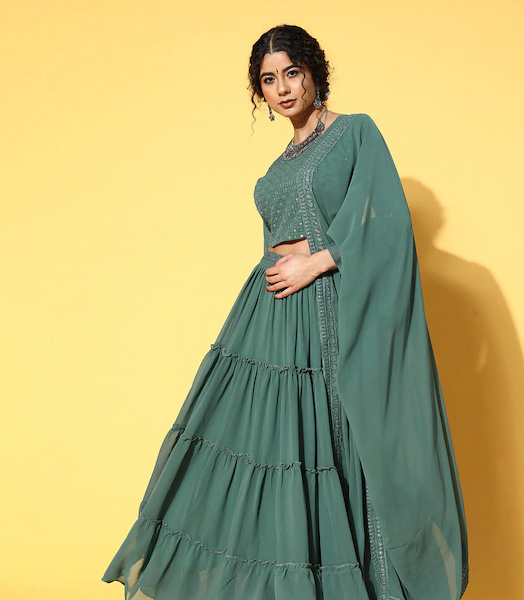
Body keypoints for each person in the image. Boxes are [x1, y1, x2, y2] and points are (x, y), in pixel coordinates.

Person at [101, 24, 469, 600]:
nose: (283, 88)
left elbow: (390, 227)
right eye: (269, 80)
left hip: (328, 314)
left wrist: (317, 262)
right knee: (272, 451)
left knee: (339, 443)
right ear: (261, 92)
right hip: (270, 322)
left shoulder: (354, 133)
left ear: (315, 71)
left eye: (291, 73)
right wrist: (284, 277)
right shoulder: (279, 165)